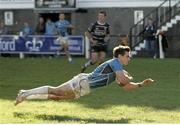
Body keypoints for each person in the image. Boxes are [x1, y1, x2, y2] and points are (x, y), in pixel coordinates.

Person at [15, 45, 154, 106]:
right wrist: (129, 78)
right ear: (120, 56)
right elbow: (124, 82)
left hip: (86, 88)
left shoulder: (119, 69)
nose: (129, 59)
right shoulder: (115, 63)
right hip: (83, 82)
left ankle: (27, 96)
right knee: (55, 90)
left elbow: (126, 87)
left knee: (56, 98)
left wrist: (141, 84)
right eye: (128, 56)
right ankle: (24, 93)